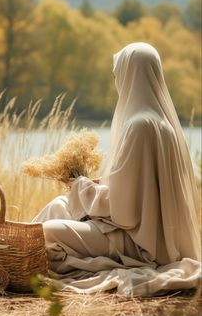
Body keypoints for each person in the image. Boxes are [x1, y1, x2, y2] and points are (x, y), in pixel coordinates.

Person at [32, 42, 201, 297]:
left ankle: (10, 257)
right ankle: (12, 253)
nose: (117, 82)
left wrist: (82, 187)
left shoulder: (138, 126)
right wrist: (99, 185)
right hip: (149, 233)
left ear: (130, 75)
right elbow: (141, 191)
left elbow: (125, 213)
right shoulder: (162, 124)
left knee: (47, 231)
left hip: (139, 244)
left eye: (118, 75)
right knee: (58, 205)